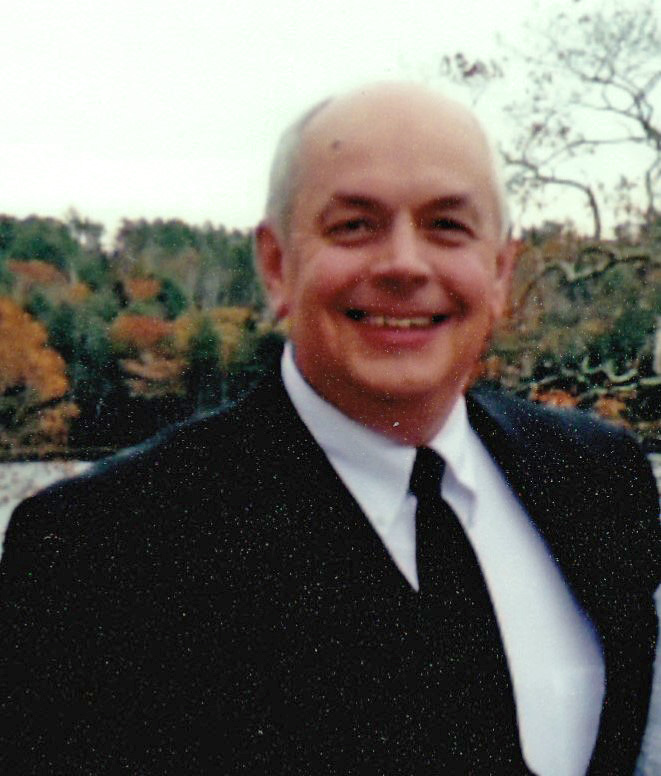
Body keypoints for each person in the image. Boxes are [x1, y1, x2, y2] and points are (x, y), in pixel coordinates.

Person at [0, 83, 658, 775]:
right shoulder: (102, 550)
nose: (404, 264)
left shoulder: (597, 479)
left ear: (499, 272)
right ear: (276, 265)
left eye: (447, 226)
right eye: (354, 226)